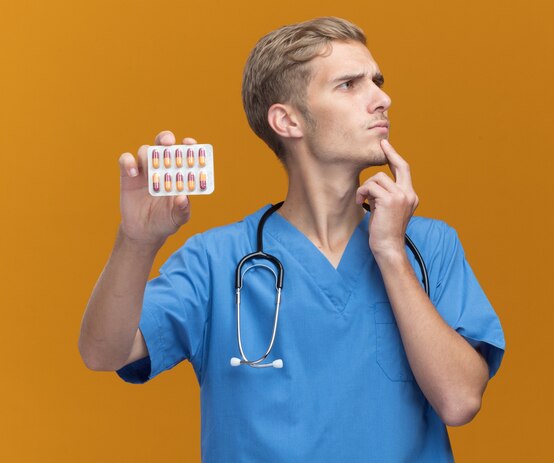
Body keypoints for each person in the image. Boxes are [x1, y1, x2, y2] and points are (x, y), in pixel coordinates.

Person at [79, 17, 505, 462]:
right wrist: (136, 241)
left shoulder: (427, 246)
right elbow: (102, 352)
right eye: (349, 85)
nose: (382, 99)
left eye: (376, 81)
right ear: (288, 120)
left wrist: (390, 254)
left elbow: (460, 402)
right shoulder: (216, 260)